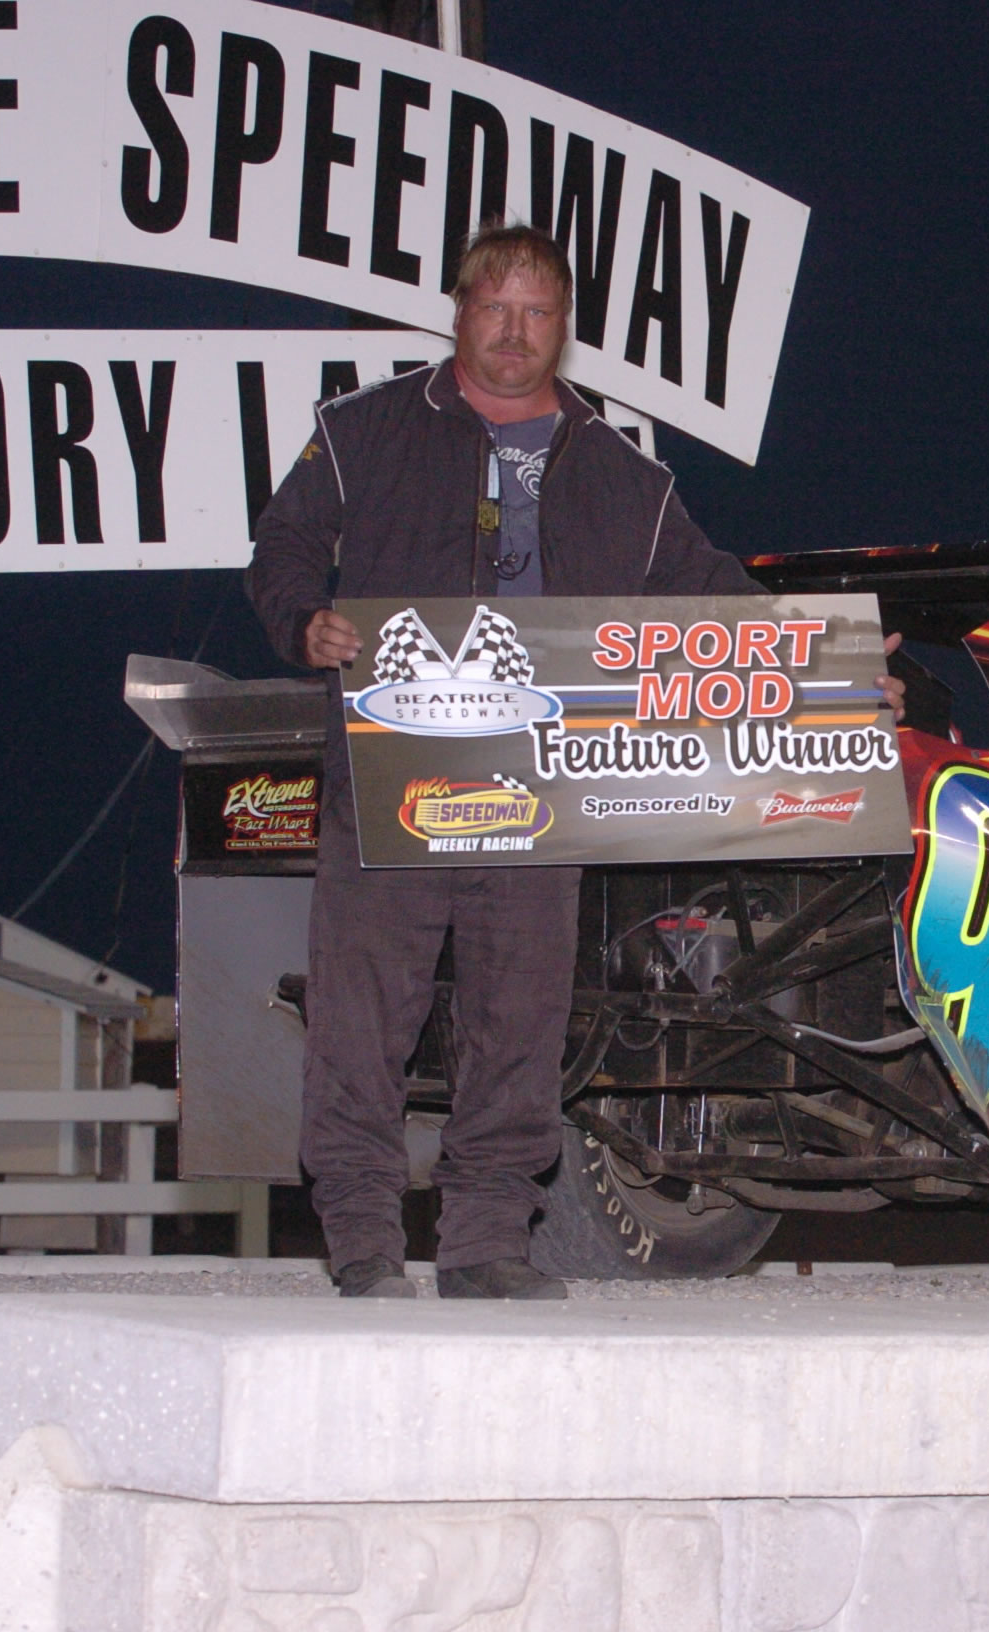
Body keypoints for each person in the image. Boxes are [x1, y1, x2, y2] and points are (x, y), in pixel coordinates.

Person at [244, 224, 762, 1300]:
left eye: (538, 313)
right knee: (362, 1016)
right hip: (389, 774)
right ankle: (362, 1241)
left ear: (563, 329)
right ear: (459, 313)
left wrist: (837, 673)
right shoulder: (362, 429)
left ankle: (485, 1244)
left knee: (518, 1019)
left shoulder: (624, 474)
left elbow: (712, 591)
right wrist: (304, 622)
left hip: (544, 784)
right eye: (496, 308)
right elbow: (284, 546)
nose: (515, 332)